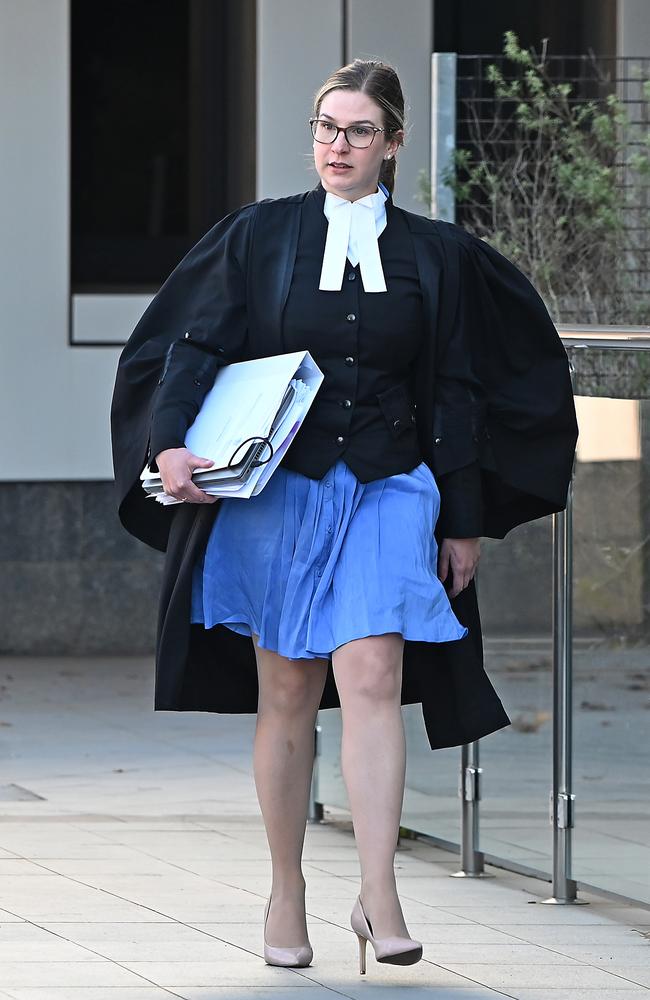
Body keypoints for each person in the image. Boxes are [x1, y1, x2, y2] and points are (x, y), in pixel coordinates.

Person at [110, 59, 578, 977]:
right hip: (280, 491)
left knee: (370, 671)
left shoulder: (437, 255)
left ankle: (380, 892)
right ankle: (287, 888)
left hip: (391, 483)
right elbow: (192, 342)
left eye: (359, 131)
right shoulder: (261, 236)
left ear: (392, 143)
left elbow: (458, 391)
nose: (338, 145)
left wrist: (464, 518)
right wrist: (169, 445)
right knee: (287, 689)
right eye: (327, 127)